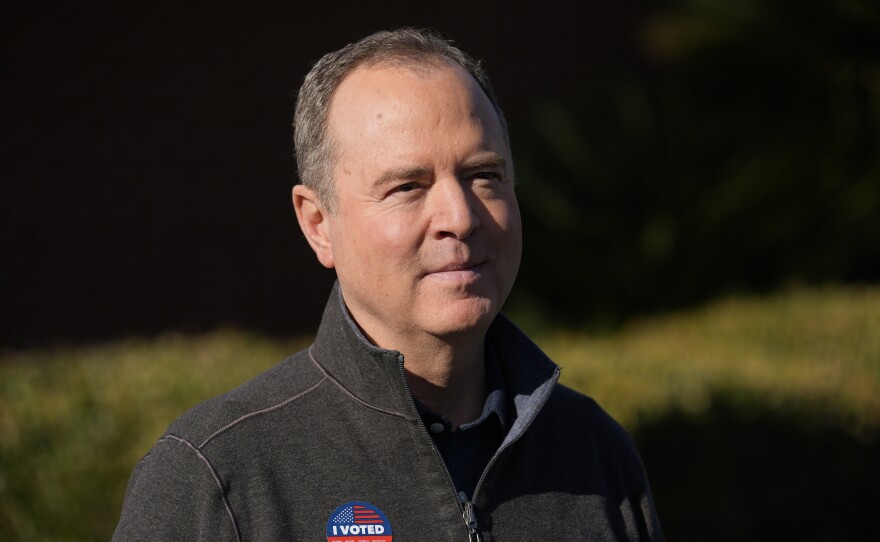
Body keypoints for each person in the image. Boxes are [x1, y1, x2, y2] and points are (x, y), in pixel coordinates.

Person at [113, 28, 664, 541]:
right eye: (407, 186)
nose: (461, 216)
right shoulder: (218, 479)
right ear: (318, 224)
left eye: (484, 175)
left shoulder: (593, 452)